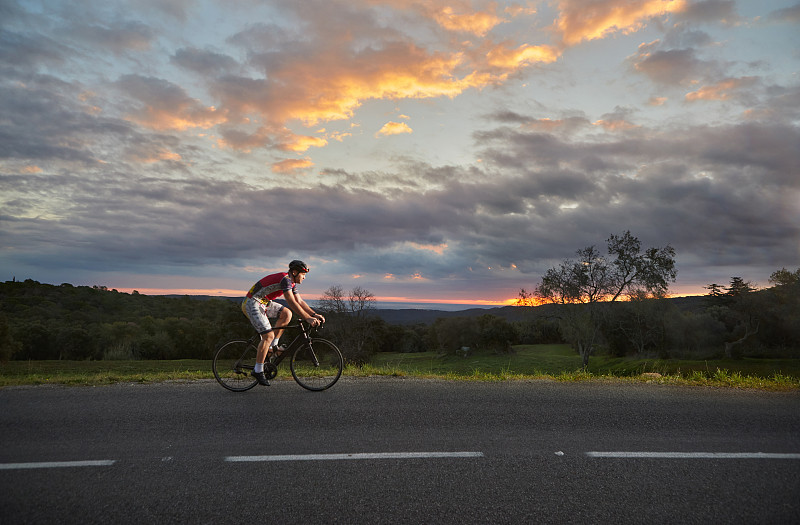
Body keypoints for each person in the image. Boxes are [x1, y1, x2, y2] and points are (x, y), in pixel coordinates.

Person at [241, 260, 326, 386]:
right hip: (252, 303)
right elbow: (292, 302)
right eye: (303, 274)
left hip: (263, 302)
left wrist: (314, 314)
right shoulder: (285, 279)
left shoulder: (291, 282)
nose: (304, 277)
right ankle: (258, 370)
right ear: (295, 272)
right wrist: (307, 318)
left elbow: (300, 301)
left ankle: (273, 347)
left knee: (287, 314)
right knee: (267, 336)